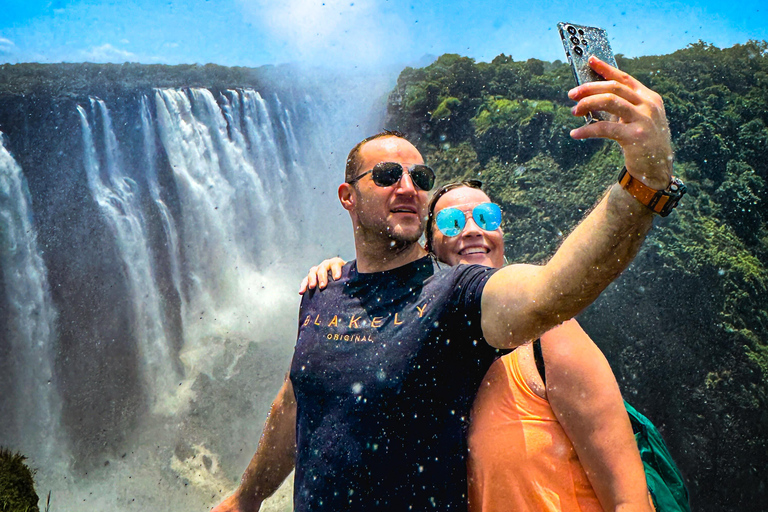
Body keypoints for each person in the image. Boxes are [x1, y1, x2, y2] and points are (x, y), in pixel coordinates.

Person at [212, 56, 678, 512]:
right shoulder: (321, 292)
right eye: (387, 175)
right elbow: (297, 400)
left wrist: (643, 179)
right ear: (347, 197)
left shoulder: (453, 296)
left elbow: (550, 293)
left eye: (420, 177)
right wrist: (245, 498)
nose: (408, 186)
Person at [304, 180, 655, 512]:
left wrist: (643, 183)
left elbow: (629, 499)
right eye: (452, 222)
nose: (473, 230)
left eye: (487, 218)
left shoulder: (549, 337)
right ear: (428, 250)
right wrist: (346, 284)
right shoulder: (418, 350)